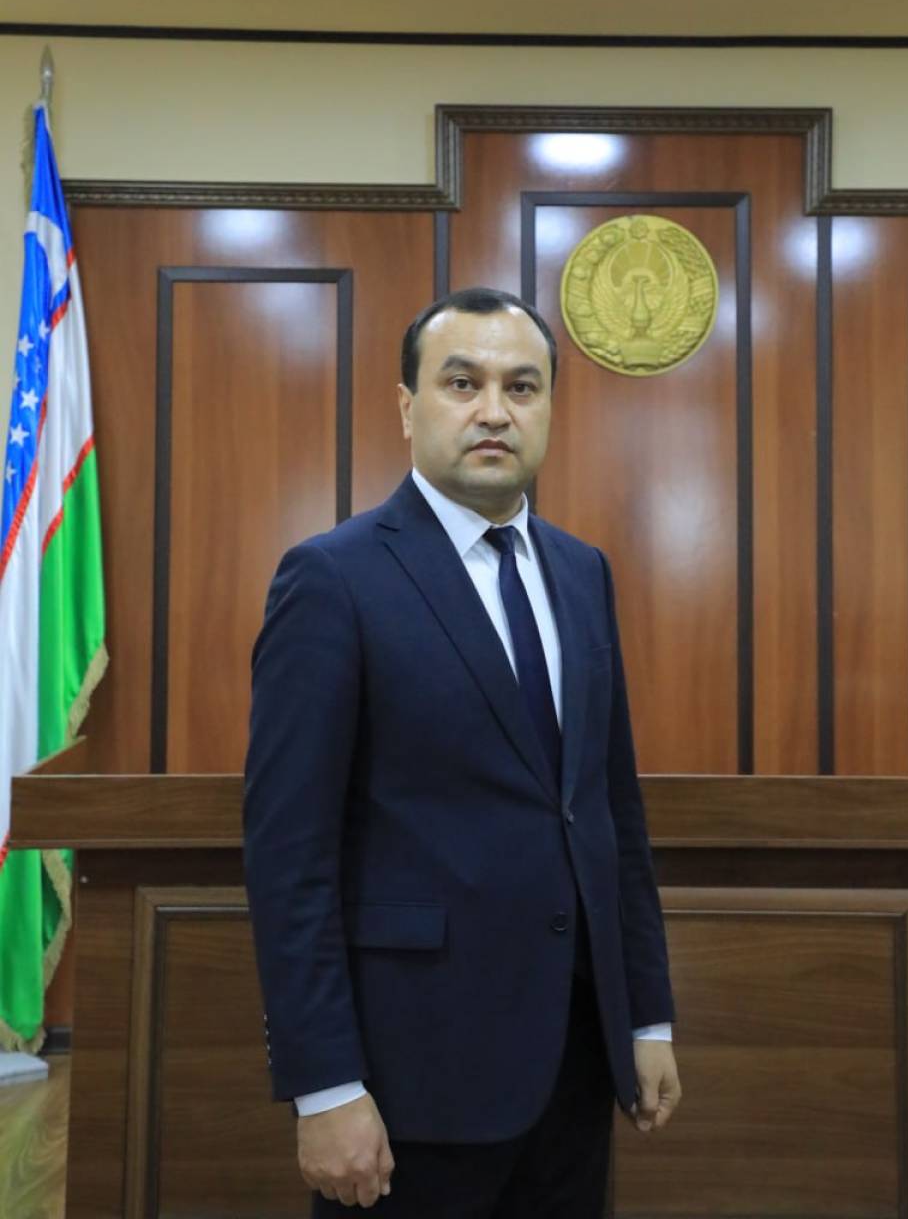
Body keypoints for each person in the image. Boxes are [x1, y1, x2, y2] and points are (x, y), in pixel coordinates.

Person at [244, 287, 680, 1218]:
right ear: (408, 409)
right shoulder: (333, 579)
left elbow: (610, 814)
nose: (494, 410)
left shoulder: (582, 572)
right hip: (411, 1079)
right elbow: (290, 856)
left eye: (522, 386)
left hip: (574, 1064)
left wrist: (645, 1014)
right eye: (461, 383)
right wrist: (325, 1085)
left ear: (549, 408)